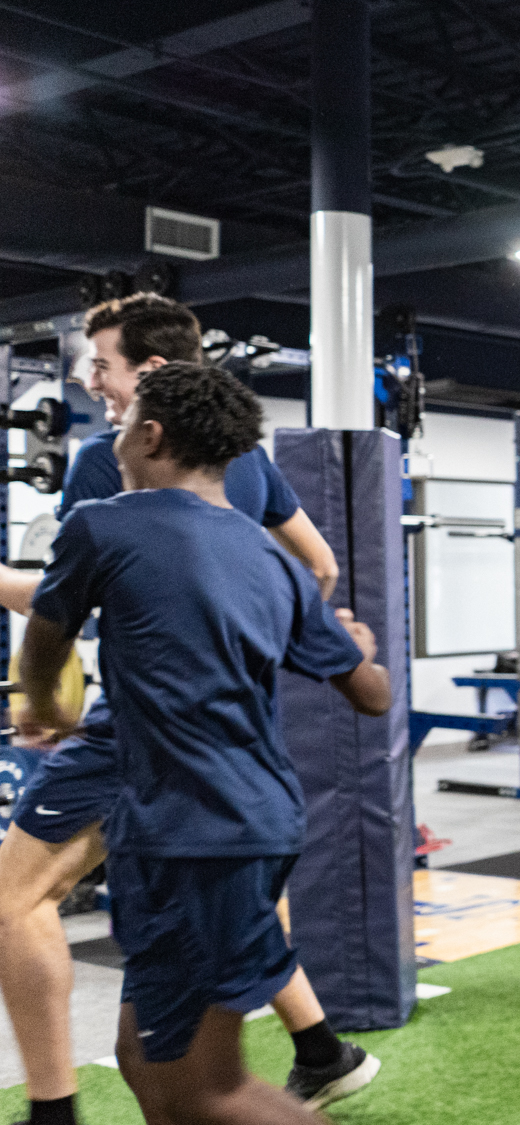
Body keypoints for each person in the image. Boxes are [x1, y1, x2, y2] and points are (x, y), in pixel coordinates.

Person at [0, 296, 369, 1125]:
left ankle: (52, 1111)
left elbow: (66, 600)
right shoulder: (248, 461)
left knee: (13, 900)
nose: (88, 380)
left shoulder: (114, 459)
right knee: (183, 1010)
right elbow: (320, 567)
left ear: (153, 381)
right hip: (238, 750)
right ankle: (319, 1046)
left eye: (102, 364)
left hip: (142, 734)